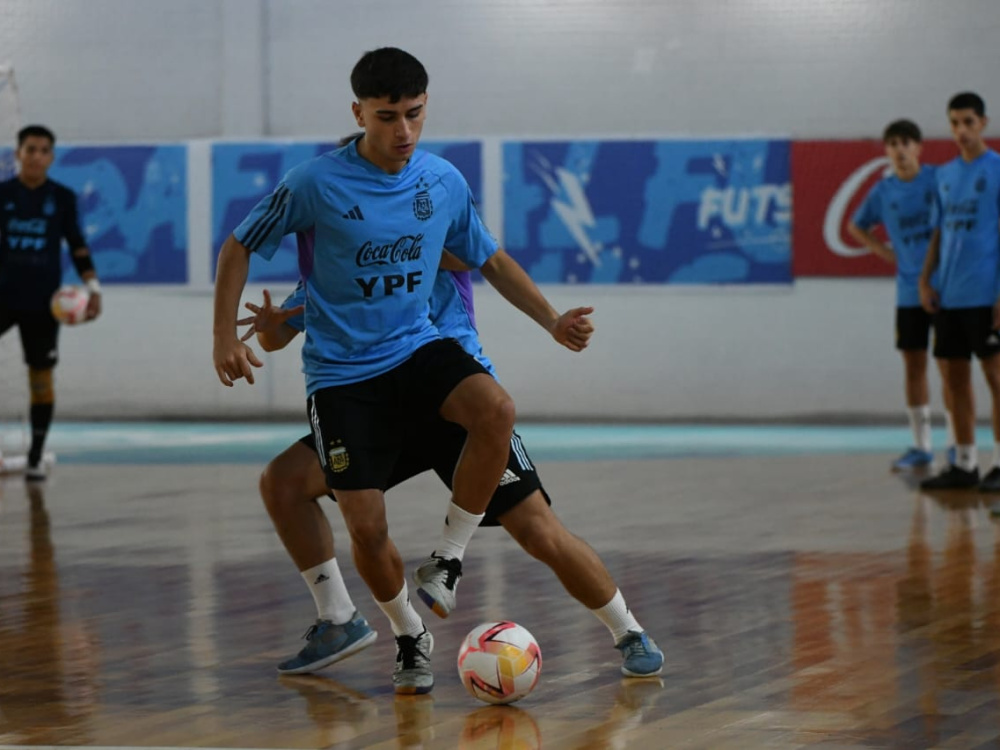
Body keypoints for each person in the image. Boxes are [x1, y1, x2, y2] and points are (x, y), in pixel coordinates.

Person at [212, 48, 593, 694]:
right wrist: (233, 335)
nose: (403, 132)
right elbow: (241, 247)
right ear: (359, 113)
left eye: (414, 115)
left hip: (419, 359)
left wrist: (553, 321)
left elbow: (492, 260)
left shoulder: (440, 187)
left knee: (499, 416)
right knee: (358, 522)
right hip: (342, 384)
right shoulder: (315, 188)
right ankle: (406, 632)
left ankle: (449, 559)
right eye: (387, 118)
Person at [242, 269, 664, 684]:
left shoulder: (425, 217)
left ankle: (629, 631)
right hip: (377, 412)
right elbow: (280, 332)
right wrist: (268, 329)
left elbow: (484, 259)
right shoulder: (332, 263)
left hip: (457, 407)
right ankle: (374, 627)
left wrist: (552, 319)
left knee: (538, 530)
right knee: (287, 484)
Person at [847, 119, 954, 470]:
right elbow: (855, 225)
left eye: (906, 142)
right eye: (892, 143)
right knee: (913, 365)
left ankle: (957, 442)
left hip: (945, 287)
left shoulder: (938, 179)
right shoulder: (882, 191)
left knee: (950, 367)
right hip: (908, 291)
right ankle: (921, 446)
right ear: (886, 150)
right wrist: (883, 252)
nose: (899, 149)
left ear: (919, 147)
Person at [0, 125, 102, 480]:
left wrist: (93, 288)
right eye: (30, 149)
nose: (36, 156)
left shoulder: (61, 197)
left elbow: (76, 244)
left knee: (40, 379)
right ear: (18, 154)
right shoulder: (3, 194)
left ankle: (34, 457)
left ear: (51, 157)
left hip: (44, 303)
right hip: (3, 296)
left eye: (44, 150)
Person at [918, 92, 1000, 491]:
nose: (961, 130)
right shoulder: (945, 175)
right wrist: (924, 279)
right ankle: (964, 464)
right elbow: (938, 231)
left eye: (968, 122)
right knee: (954, 380)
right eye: (954, 123)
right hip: (949, 296)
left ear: (983, 123)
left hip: (986, 295)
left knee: (997, 378)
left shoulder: (998, 170)